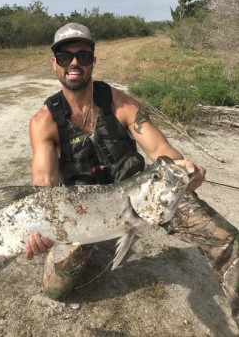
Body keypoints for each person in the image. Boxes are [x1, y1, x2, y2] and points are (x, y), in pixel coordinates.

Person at [25, 22, 239, 327]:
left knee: (229, 242)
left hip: (145, 196)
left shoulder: (120, 103)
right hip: (84, 212)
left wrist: (187, 172)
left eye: (83, 56)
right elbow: (44, 190)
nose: (74, 63)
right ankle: (98, 240)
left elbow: (162, 153)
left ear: (93, 62)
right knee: (55, 291)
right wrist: (40, 231)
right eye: (65, 56)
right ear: (54, 63)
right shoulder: (44, 121)